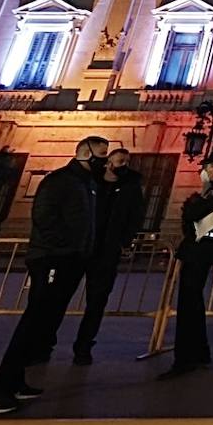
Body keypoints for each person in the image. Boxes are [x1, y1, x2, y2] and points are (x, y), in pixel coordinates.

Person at [0, 136, 108, 415]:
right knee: (33, 321)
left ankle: (17, 382)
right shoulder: (60, 180)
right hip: (52, 260)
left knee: (44, 325)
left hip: (70, 261)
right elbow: (44, 218)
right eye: (101, 154)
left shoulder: (87, 185)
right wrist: (62, 250)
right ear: (85, 153)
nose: (105, 160)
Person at [158, 150, 213, 380]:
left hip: (201, 249)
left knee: (188, 304)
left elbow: (194, 212)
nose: (202, 171)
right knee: (193, 302)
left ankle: (185, 358)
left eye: (206, 167)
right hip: (204, 248)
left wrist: (193, 202)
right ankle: (200, 351)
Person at [72, 147, 145, 365]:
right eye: (120, 161)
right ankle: (44, 343)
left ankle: (84, 346)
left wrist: (124, 241)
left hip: (106, 252)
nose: (124, 166)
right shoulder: (89, 182)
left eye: (127, 162)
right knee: (59, 297)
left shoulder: (131, 187)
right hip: (81, 248)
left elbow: (136, 216)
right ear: (107, 162)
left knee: (97, 302)